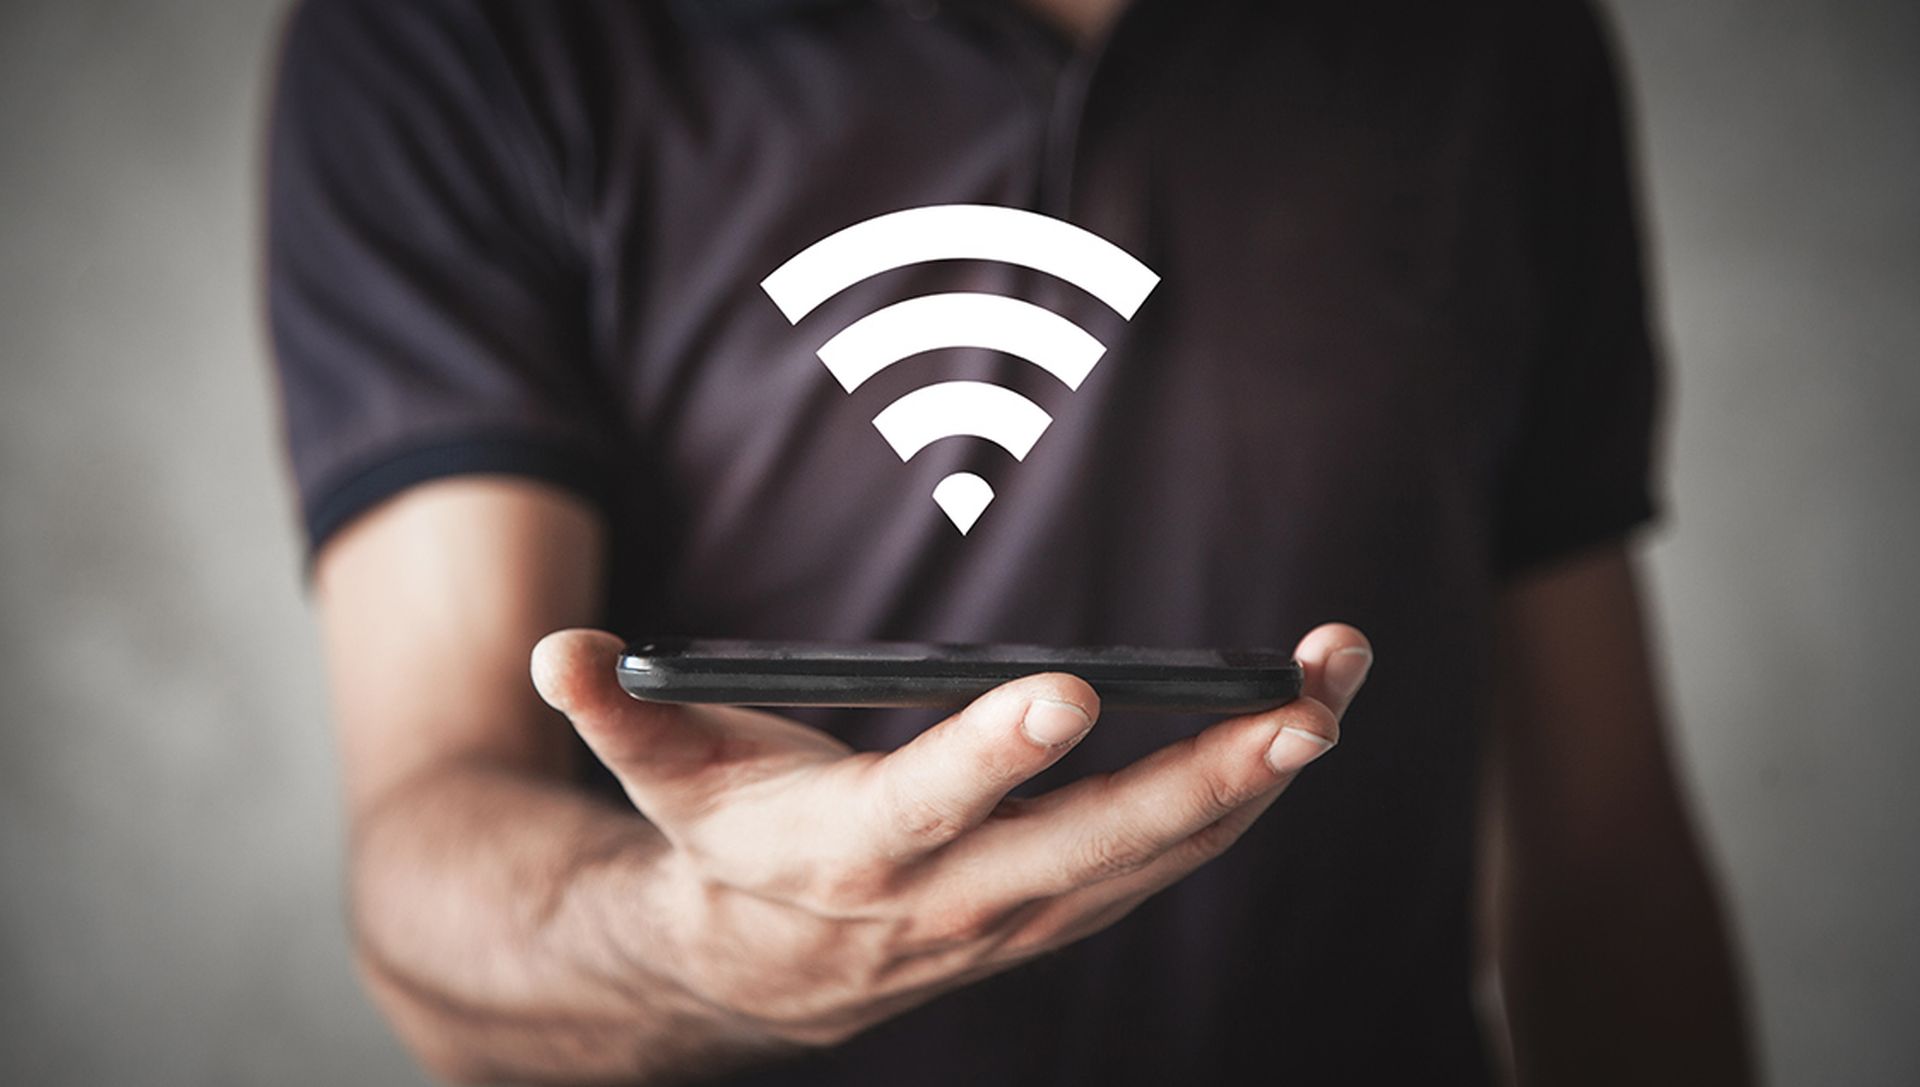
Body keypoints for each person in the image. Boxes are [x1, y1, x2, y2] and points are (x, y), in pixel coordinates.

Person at [265, 0, 1754, 1082]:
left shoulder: (1500, 44)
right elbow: (430, 868)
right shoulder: (455, 35)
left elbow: (1604, 844)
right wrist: (709, 944)